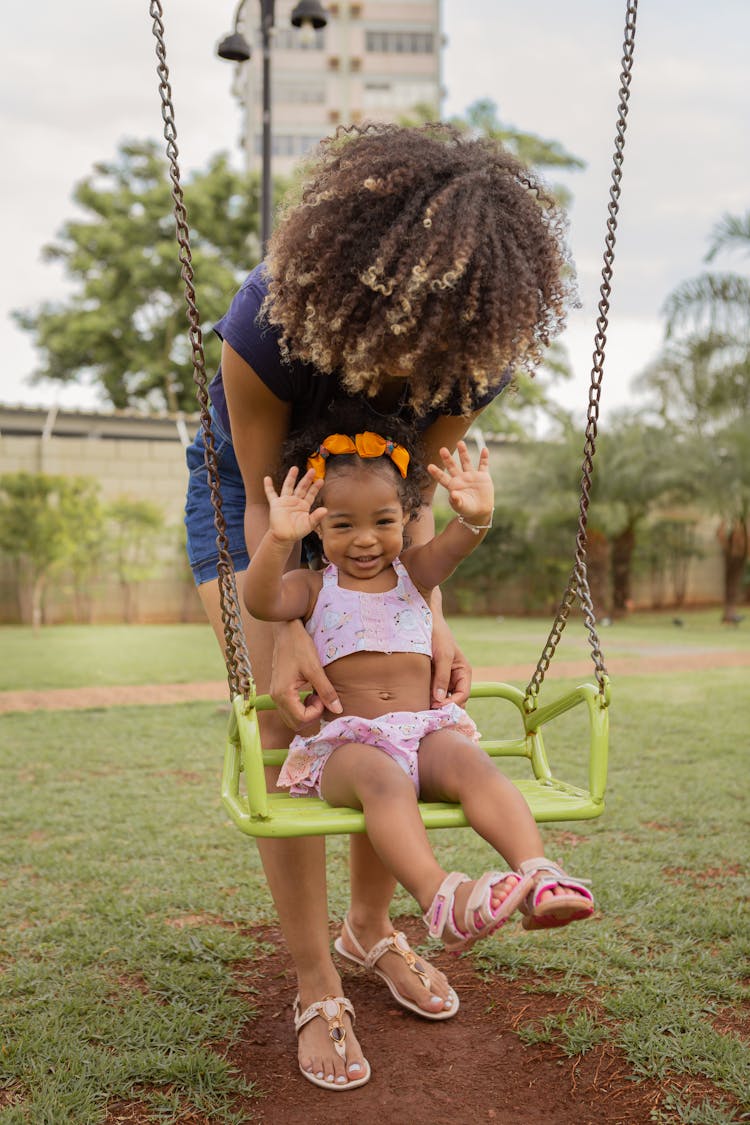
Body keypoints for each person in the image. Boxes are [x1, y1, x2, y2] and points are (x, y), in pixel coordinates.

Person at [184, 121, 576, 1091]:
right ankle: (317, 979)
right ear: (364, 288)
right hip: (260, 503)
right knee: (295, 725)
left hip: (380, 510)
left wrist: (426, 621)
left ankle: (370, 932)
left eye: (445, 356)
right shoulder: (268, 321)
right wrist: (283, 648)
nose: (416, 375)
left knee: (392, 712)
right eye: (407, 344)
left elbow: (417, 511)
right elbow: (262, 495)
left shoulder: (474, 353)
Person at [244, 413, 594, 1089]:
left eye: (382, 520)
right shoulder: (314, 588)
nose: (365, 539)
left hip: (423, 729)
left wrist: (478, 515)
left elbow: (457, 545)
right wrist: (275, 542)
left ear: (405, 519)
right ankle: (441, 897)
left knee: (470, 759)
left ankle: (538, 871)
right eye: (342, 524)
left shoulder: (415, 574)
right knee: (382, 780)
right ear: (318, 526)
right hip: (346, 745)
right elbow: (261, 601)